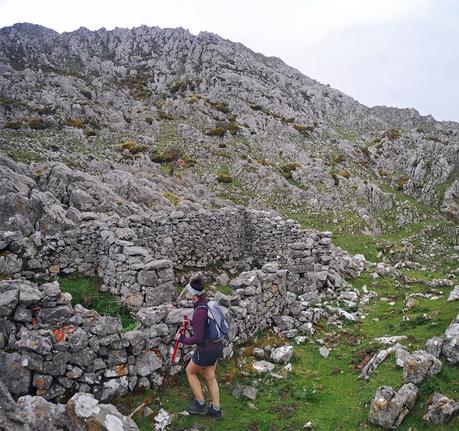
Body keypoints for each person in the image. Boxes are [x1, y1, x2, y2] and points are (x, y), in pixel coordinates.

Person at [180, 274, 223, 419]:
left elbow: (198, 338)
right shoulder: (208, 304)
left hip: (205, 350)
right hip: (217, 346)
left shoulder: (199, 311)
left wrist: (183, 339)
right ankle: (216, 410)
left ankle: (200, 404)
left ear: (193, 295)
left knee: (190, 372)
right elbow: (206, 325)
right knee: (210, 376)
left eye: (189, 291)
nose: (187, 294)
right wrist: (191, 323)